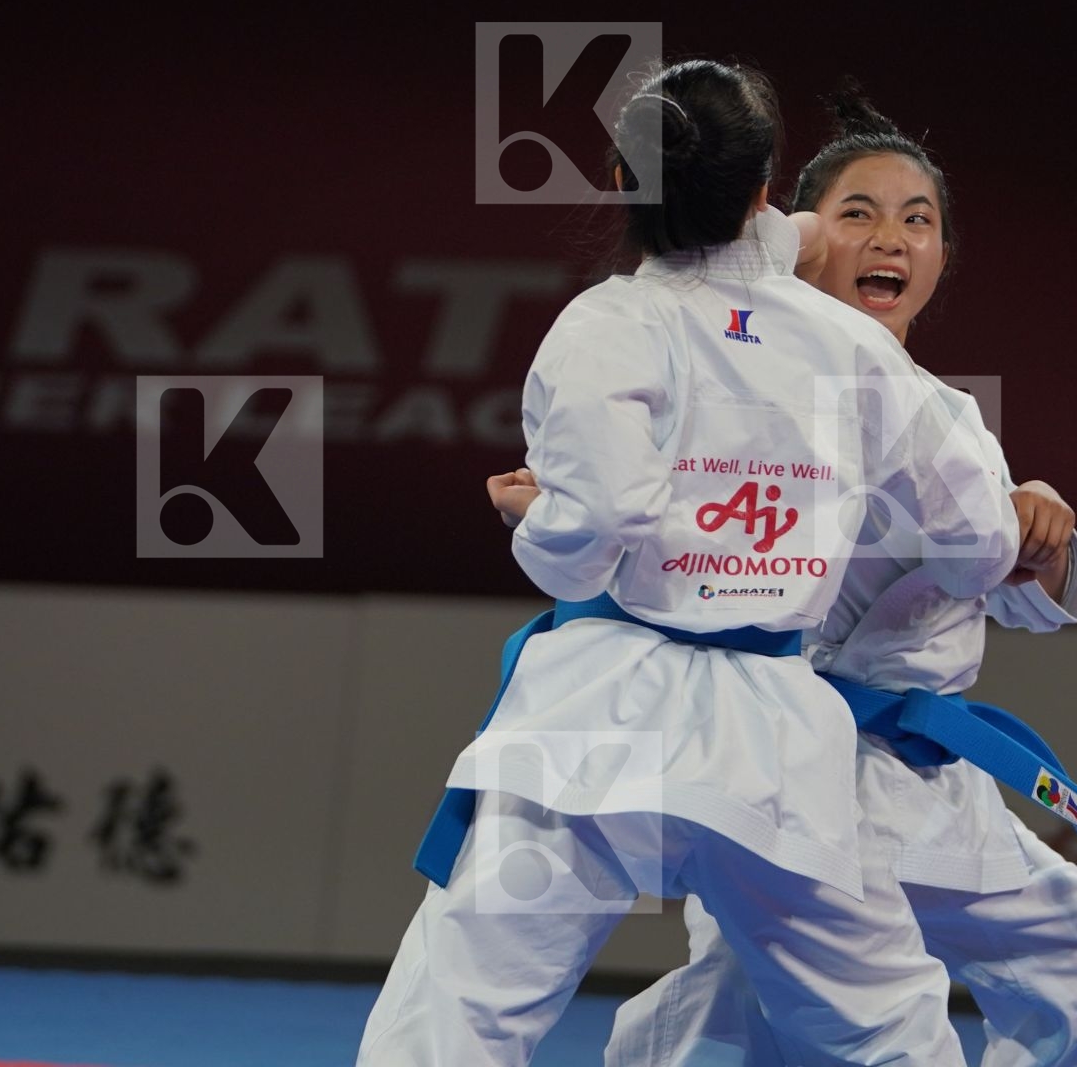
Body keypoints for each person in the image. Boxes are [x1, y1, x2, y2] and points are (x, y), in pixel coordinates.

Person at [355, 60, 1019, 1067]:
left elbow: (590, 542)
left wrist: (534, 519)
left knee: (462, 1006)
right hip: (774, 736)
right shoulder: (851, 346)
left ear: (623, 181)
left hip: (598, 715)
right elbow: (978, 541)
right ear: (766, 190)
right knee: (888, 1031)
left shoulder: (608, 324)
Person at [603, 90, 1077, 1067]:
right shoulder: (740, 384)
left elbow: (1003, 596)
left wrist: (1040, 535)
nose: (890, 237)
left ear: (942, 258)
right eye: (857, 213)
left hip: (928, 784)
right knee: (792, 1027)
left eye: (918, 220)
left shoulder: (946, 418)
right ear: (800, 239)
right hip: (792, 775)